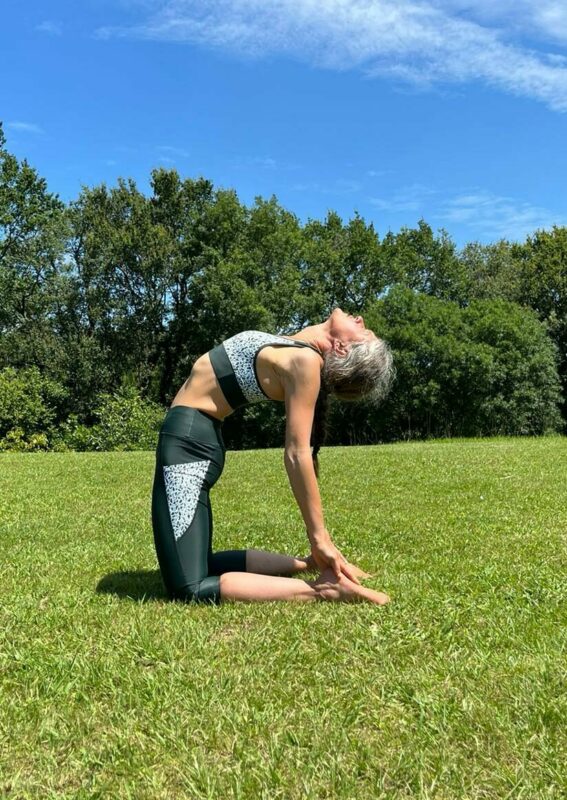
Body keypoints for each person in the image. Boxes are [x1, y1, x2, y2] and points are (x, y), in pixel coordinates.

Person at [151, 308, 394, 605]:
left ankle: (323, 590)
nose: (361, 320)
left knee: (189, 587)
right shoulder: (298, 347)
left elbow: (297, 453)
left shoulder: (306, 362)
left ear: (342, 348)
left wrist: (320, 537)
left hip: (187, 448)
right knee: (200, 562)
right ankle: (310, 565)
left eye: (364, 333)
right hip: (193, 440)